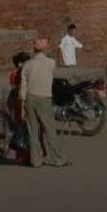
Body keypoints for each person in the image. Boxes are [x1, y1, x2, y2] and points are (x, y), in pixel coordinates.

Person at [20, 38, 70, 167]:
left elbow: (23, 87)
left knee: (33, 131)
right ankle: (59, 158)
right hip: (44, 98)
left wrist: (22, 105)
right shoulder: (51, 63)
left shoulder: (27, 64)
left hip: (30, 97)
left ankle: (35, 160)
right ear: (46, 48)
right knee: (50, 130)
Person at [9, 52, 31, 165]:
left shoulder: (14, 74)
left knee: (20, 129)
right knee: (25, 130)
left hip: (17, 102)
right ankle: (25, 156)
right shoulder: (21, 74)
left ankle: (21, 156)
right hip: (21, 102)